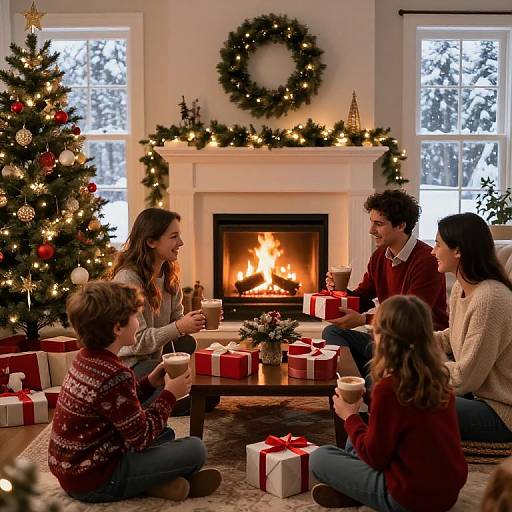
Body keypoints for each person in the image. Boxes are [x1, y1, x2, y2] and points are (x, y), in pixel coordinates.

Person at [48, 281, 222, 503]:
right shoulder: (115, 374)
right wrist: (170, 394)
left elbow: (117, 405)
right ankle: (149, 483)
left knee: (165, 434)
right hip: (96, 480)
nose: (138, 323)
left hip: (73, 472)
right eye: (135, 318)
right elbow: (141, 437)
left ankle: (161, 483)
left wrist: (150, 382)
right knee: (196, 450)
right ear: (117, 328)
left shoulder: (85, 358)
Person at [310, 295, 467, 511]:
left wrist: (349, 415)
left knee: (320, 457)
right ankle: (357, 488)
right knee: (359, 432)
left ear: (383, 337)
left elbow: (376, 458)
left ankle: (359, 492)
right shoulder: (439, 378)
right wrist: (367, 402)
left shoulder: (389, 388)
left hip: (409, 498)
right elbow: (406, 426)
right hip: (447, 494)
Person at [322, 189, 448, 379]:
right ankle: (363, 380)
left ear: (401, 226)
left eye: (378, 224)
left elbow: (408, 320)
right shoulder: (380, 256)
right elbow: (363, 298)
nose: (371, 230)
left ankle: (371, 383)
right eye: (372, 223)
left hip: (415, 347)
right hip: (385, 342)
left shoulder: (426, 260)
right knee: (332, 332)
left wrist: (363, 320)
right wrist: (339, 292)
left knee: (375, 377)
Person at [108, 208, 218, 413]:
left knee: (207, 392)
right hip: (130, 364)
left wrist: (198, 320)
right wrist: (178, 326)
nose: (181, 243)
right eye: (174, 237)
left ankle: (161, 396)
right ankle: (134, 404)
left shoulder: (168, 274)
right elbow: (136, 342)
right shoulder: (128, 279)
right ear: (151, 242)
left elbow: (177, 321)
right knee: (196, 397)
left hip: (155, 357)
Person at [432, 212, 512, 443]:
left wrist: (422, 369)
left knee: (408, 397)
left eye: (438, 245)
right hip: (475, 396)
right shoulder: (461, 288)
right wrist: (415, 339)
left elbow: (465, 378)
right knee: (393, 386)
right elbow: (454, 336)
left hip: (500, 411)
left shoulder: (490, 298)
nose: (432, 251)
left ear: (458, 251)